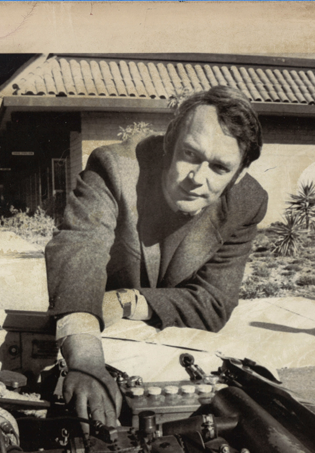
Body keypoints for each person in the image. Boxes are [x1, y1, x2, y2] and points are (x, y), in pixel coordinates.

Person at [45, 85, 268, 427]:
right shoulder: (113, 166)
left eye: (219, 168)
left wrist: (127, 301)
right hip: (94, 337)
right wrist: (86, 361)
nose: (197, 178)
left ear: (237, 175)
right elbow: (79, 248)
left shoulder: (247, 202)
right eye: (190, 155)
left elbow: (213, 303)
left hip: (172, 353)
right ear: (168, 145)